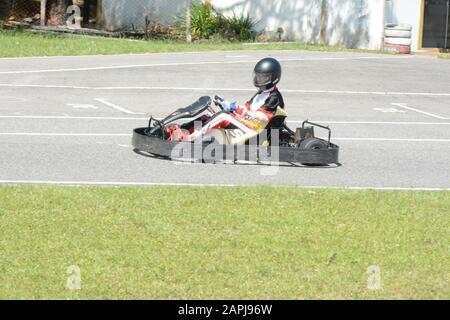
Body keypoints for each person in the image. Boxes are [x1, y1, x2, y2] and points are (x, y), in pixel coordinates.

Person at [188, 57, 285, 143]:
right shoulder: (261, 93)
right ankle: (184, 129)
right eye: (258, 76)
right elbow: (247, 108)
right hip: (248, 125)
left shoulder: (274, 97)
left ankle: (193, 137)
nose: (259, 79)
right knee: (210, 116)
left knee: (223, 116)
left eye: (263, 77)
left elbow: (261, 117)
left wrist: (236, 109)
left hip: (255, 131)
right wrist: (227, 103)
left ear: (273, 78)